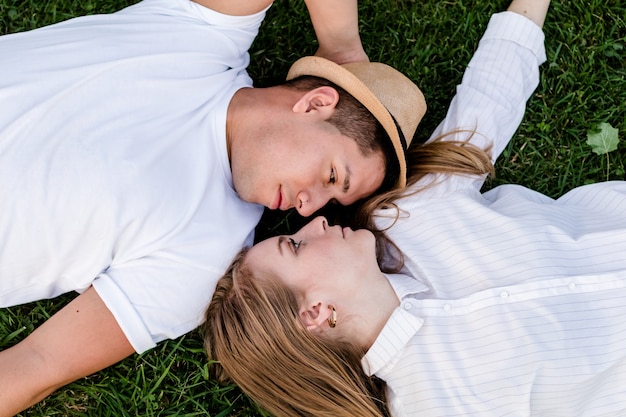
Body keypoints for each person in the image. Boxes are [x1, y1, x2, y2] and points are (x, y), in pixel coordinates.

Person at [0, 0, 452, 414]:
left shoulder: (208, 255)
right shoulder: (202, 41)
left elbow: (36, 365)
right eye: (332, 175)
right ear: (315, 103)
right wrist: (342, 47)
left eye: (332, 200)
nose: (309, 207)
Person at [203, 0, 626, 416]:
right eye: (296, 246)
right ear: (317, 312)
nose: (312, 223)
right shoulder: (435, 404)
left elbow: (488, 103)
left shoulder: (408, 214)